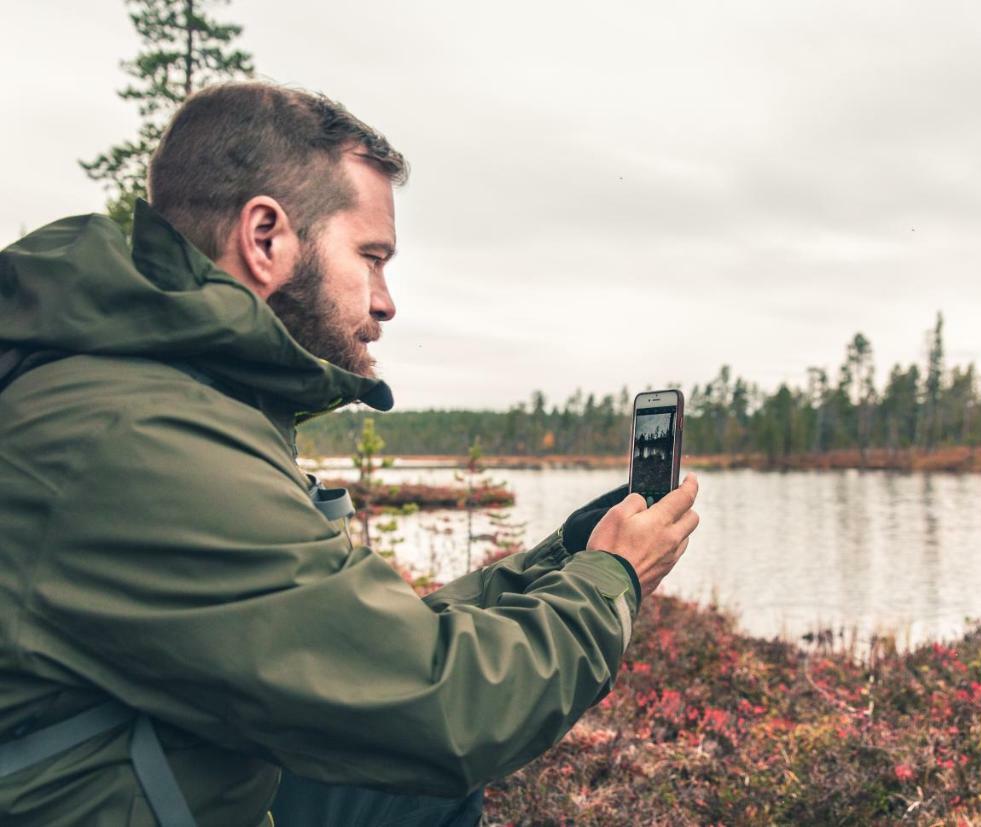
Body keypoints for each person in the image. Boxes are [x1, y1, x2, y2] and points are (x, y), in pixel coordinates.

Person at [0, 82, 699, 826]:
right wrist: (611, 578)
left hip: (151, 771)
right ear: (266, 237)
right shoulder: (140, 437)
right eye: (371, 256)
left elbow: (355, 639)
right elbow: (442, 711)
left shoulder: (164, 396)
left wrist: (561, 558)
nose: (387, 299)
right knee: (424, 769)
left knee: (414, 792)